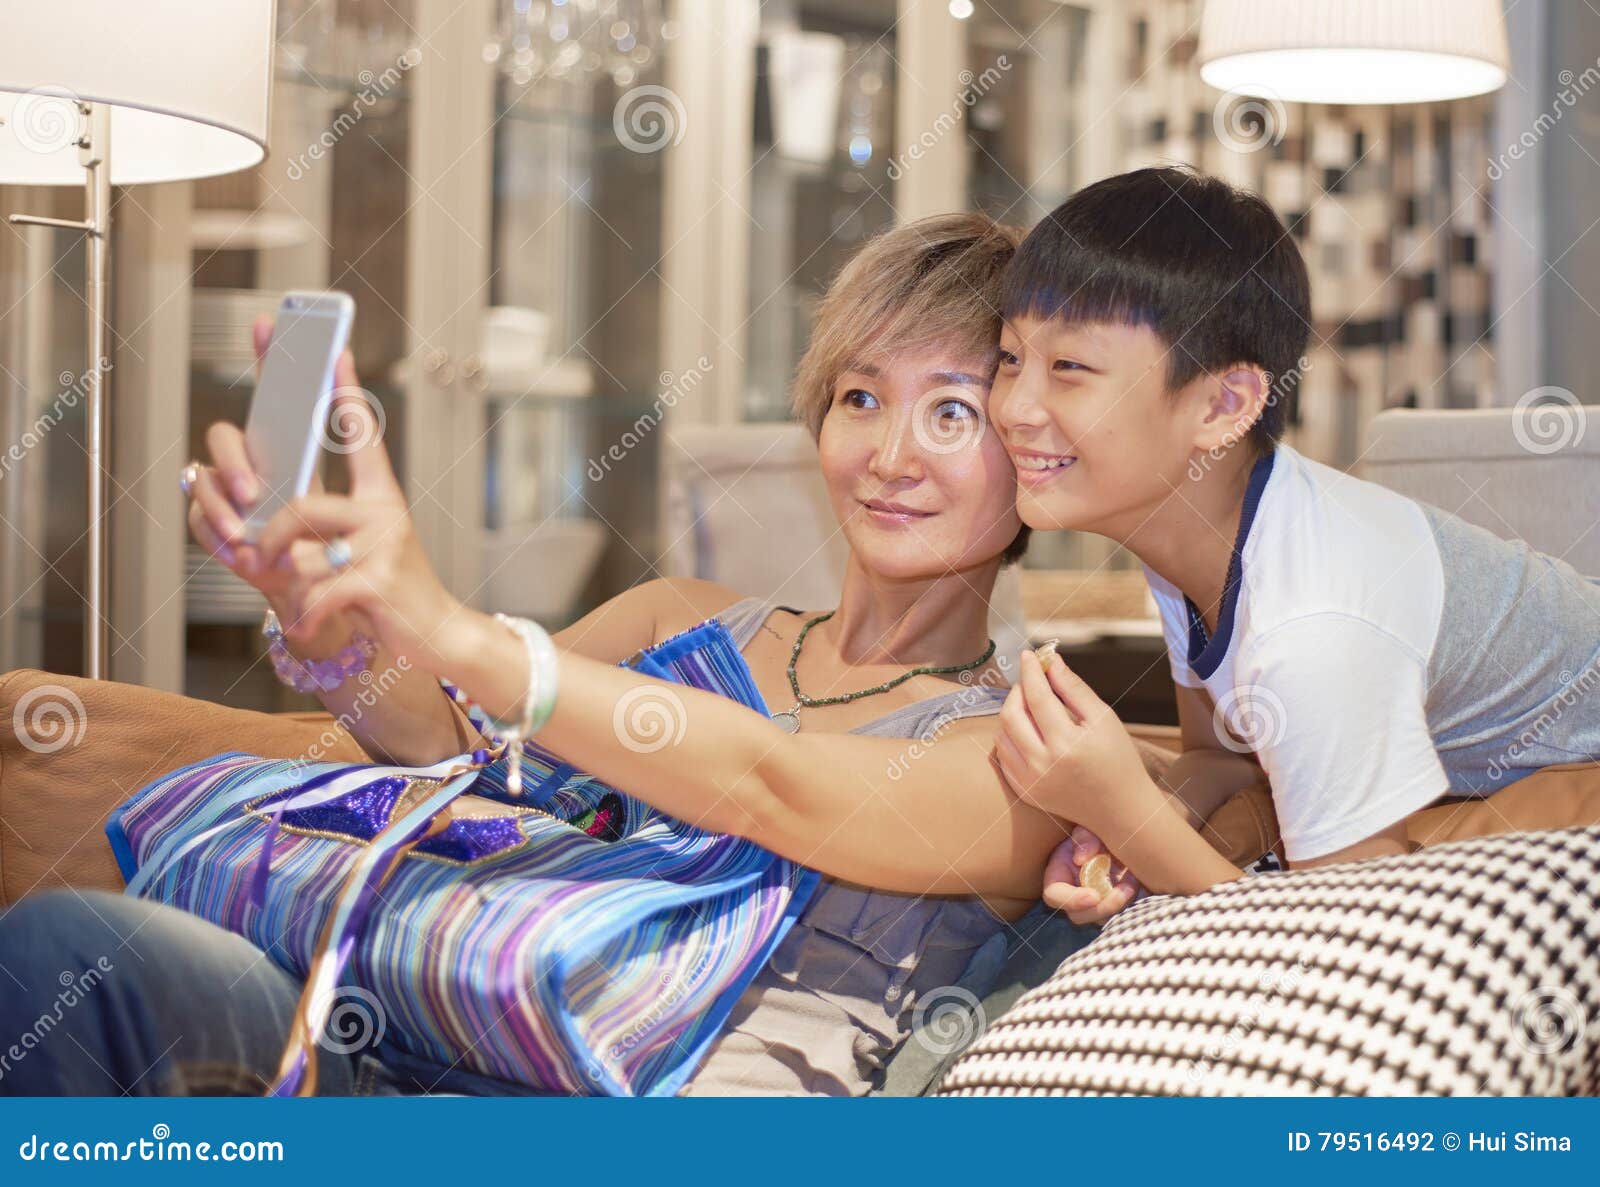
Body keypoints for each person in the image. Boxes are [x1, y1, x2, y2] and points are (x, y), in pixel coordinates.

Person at [0, 213, 1222, 1098]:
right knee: (73, 954)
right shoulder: (679, 618)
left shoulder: (1012, 751)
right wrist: (340, 640)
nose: (890, 453)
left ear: (1031, 452)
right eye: (860, 395)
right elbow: (450, 740)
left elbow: (767, 781)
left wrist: (465, 630)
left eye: (951, 410)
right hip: (420, 1041)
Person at [988, 165, 1600, 884]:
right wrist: (1133, 837)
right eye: (1008, 358)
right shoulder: (1199, 529)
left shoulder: (1312, 626)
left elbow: (1343, 944)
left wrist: (1128, 813)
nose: (1015, 407)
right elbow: (1223, 756)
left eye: (1067, 366)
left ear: (1222, 405)